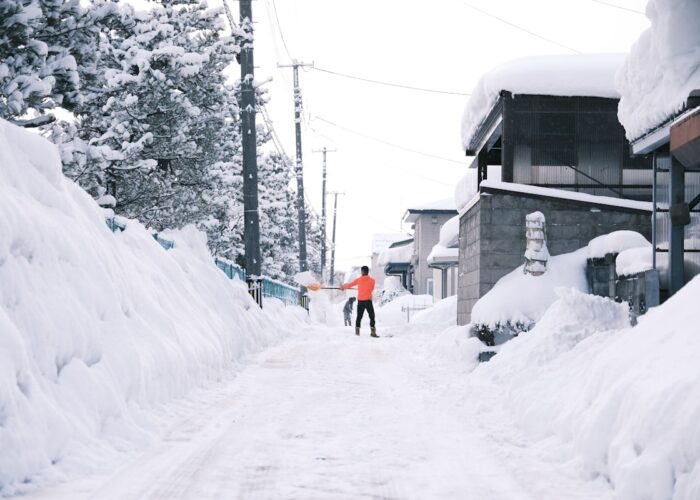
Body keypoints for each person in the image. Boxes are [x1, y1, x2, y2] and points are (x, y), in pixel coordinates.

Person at [340, 266, 378, 337]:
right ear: (367, 271)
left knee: (359, 317)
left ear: (362, 272)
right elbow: (371, 289)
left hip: (361, 301)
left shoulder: (358, 280)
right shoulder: (372, 280)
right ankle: (373, 332)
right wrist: (365, 289)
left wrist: (343, 287)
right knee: (372, 316)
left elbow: (349, 285)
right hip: (368, 301)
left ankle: (357, 332)